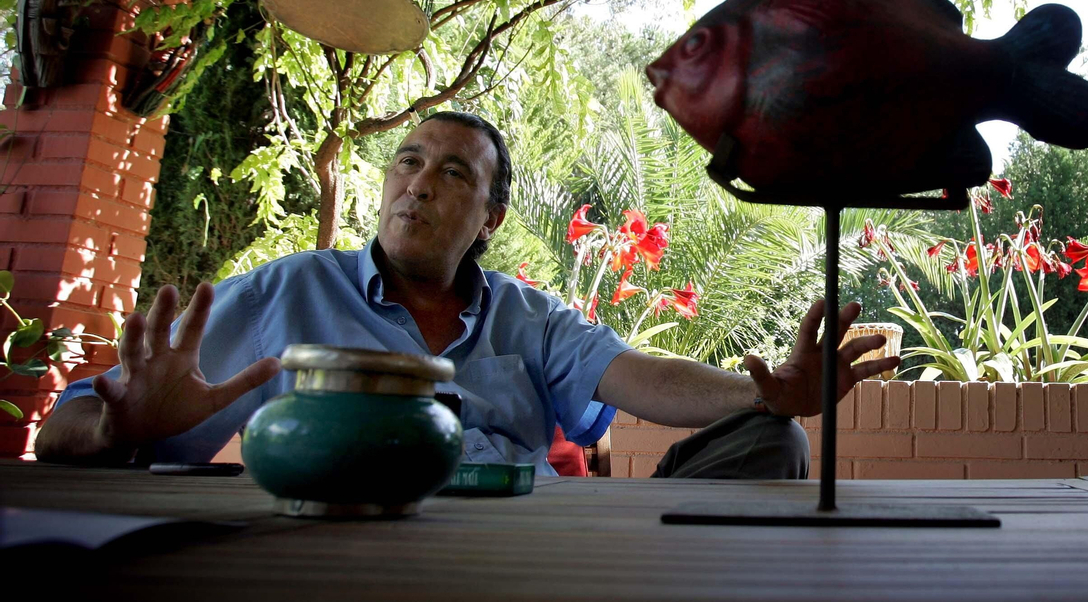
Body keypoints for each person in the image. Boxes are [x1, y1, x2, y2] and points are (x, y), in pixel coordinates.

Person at [35, 111, 898, 478]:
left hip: (538, 550)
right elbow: (62, 428)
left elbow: (641, 376)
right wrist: (120, 426)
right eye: (408, 161)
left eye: (453, 172)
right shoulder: (289, 291)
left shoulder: (529, 315)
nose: (418, 183)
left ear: (491, 216)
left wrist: (764, 390)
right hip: (352, 555)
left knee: (772, 439)